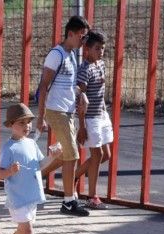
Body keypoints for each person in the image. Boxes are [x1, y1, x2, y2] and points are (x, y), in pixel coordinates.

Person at [0, 103, 62, 234]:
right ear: (10, 125)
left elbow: (40, 165)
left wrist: (53, 157)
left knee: (22, 232)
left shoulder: (32, 143)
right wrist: (10, 171)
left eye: (28, 122)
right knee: (27, 232)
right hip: (17, 197)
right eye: (21, 123)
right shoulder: (8, 148)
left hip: (32, 195)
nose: (26, 126)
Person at [35, 15, 90, 217]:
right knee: (72, 154)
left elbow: (68, 85)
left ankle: (37, 177)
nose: (83, 42)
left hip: (67, 111)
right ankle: (68, 201)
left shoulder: (72, 55)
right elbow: (44, 86)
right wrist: (40, 118)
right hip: (56, 111)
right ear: (71, 34)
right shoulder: (56, 55)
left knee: (67, 154)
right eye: (81, 37)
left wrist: (81, 93)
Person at [75, 30, 112, 209]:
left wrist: (104, 112)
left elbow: (100, 93)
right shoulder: (84, 70)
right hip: (90, 118)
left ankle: (74, 176)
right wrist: (82, 127)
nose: (101, 51)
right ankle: (92, 197)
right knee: (96, 155)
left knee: (106, 155)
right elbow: (80, 100)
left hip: (102, 115)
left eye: (103, 48)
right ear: (87, 49)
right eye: (97, 48)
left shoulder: (101, 64)